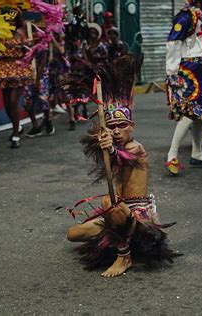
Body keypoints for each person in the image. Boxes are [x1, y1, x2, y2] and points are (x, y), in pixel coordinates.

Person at [62, 55, 180, 277]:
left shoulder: (137, 148)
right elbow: (110, 153)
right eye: (112, 126)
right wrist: (100, 140)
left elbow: (123, 155)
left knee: (111, 204)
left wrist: (111, 148)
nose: (117, 131)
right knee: (73, 234)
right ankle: (113, 240)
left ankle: (124, 256)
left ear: (132, 127)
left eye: (122, 125)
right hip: (120, 211)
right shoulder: (112, 143)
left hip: (138, 214)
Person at [165, 0, 202, 176]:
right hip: (192, 70)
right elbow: (173, 44)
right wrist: (172, 73)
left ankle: (197, 153)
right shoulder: (186, 17)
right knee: (190, 112)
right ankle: (172, 154)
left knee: (200, 114)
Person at [0, 9, 33, 149]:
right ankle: (18, 126)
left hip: (17, 68)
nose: (10, 22)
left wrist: (30, 48)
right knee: (7, 104)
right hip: (3, 69)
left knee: (14, 102)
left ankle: (15, 134)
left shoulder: (21, 34)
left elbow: (28, 52)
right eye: (7, 19)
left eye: (13, 19)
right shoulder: (0, 35)